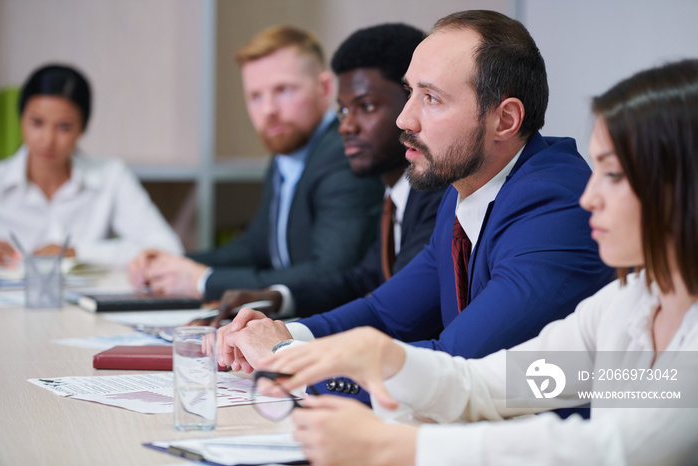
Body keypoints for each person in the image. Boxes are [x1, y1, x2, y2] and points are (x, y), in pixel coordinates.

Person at [258, 58, 698, 466]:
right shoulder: (630, 302)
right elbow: (493, 386)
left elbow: (611, 448)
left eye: (614, 175)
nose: (589, 197)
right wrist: (385, 358)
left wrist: (400, 448)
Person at [216, 10, 613, 374]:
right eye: (409, 93)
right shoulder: (464, 192)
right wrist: (282, 333)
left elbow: (455, 364)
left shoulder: (556, 208)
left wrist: (286, 360)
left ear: (505, 120)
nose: (405, 119)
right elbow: (386, 313)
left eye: (432, 98)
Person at [197, 23, 445, 326]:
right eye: (342, 112)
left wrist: (292, 338)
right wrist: (277, 297)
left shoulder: (437, 197)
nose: (346, 127)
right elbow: (360, 280)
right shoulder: (395, 196)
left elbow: (397, 311)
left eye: (366, 106)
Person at [127, 26, 384, 300]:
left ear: (325, 88)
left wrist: (203, 282)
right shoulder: (285, 157)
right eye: (255, 96)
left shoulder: (343, 156)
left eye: (283, 90)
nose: (269, 110)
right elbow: (255, 248)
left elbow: (329, 273)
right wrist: (172, 263)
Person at [0, 64, 182, 267]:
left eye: (64, 127)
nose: (47, 140)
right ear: (21, 120)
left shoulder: (111, 176)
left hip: (92, 298)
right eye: (37, 123)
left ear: (82, 129)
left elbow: (168, 249)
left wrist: (79, 252)